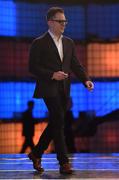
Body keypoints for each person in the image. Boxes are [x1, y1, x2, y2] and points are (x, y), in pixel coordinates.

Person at [28, 7, 94, 175]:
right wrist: (52, 75)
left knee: (57, 122)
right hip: (48, 87)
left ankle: (36, 153)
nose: (64, 24)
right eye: (60, 21)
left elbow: (75, 64)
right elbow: (32, 67)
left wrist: (86, 79)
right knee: (58, 120)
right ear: (50, 22)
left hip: (64, 88)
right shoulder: (39, 42)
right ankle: (64, 162)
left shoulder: (69, 42)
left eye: (65, 21)